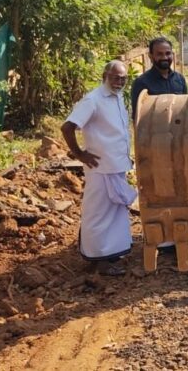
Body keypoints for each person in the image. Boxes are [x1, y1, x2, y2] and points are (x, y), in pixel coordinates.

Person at [60, 61, 137, 276]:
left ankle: (110, 256)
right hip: (100, 167)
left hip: (116, 165)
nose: (119, 81)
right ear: (105, 76)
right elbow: (67, 127)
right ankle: (100, 260)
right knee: (99, 214)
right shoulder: (93, 100)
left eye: (123, 78)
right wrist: (79, 154)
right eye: (115, 77)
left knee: (115, 213)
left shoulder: (118, 97)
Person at [130, 37, 188, 118]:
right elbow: (137, 116)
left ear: (172, 54)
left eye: (168, 53)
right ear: (150, 56)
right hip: (154, 130)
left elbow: (185, 109)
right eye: (159, 54)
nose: (164, 57)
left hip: (178, 128)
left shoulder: (180, 79)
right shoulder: (141, 82)